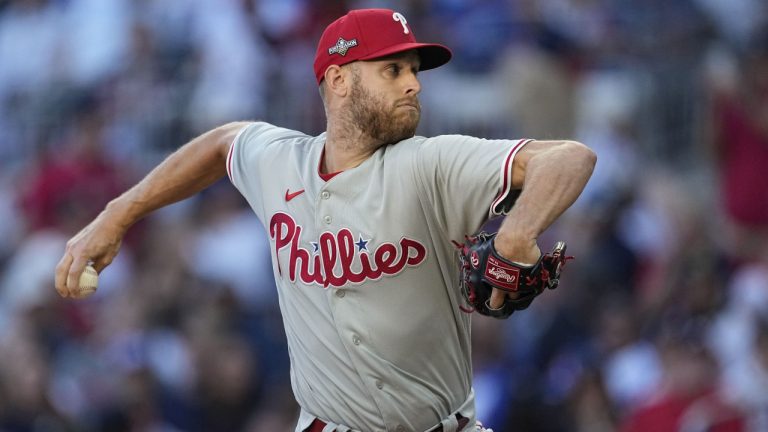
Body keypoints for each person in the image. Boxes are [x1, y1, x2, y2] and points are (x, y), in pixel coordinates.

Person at [55, 8, 596, 432]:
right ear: (339, 81)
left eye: (413, 70)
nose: (414, 84)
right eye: (393, 69)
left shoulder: (430, 162)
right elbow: (222, 143)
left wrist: (519, 230)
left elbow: (569, 157)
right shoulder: (279, 161)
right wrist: (116, 214)